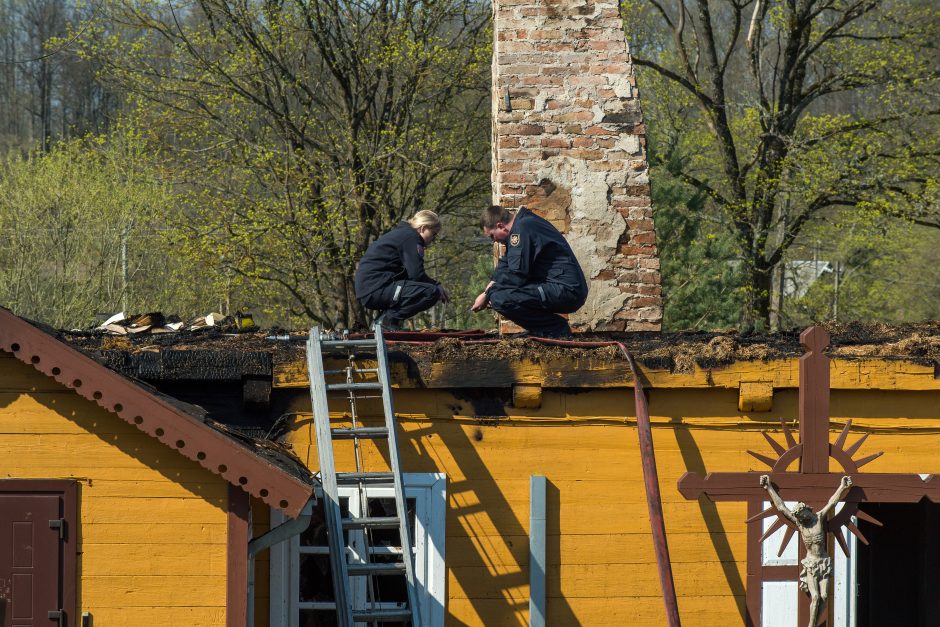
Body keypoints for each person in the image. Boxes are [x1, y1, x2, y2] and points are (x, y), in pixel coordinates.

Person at [471, 205, 588, 338]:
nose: (494, 241)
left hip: (566, 290)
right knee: (498, 294)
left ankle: (554, 329)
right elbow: (506, 265)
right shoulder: (523, 225)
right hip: (561, 288)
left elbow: (517, 275)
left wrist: (489, 294)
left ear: (500, 226)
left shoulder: (522, 230)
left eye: (492, 236)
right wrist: (486, 292)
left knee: (500, 298)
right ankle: (544, 329)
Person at [760, 474, 853, 627]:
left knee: (824, 596)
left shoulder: (818, 518)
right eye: (799, 516)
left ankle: (815, 623)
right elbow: (781, 507)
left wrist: (842, 487)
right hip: (811, 564)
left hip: (823, 562)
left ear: (807, 511)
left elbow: (832, 502)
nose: (802, 518)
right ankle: (811, 625)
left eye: (802, 515)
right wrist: (769, 487)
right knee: (815, 597)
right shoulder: (801, 524)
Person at [355, 210, 448, 330]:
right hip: (376, 288)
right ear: (423, 228)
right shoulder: (411, 237)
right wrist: (436, 285)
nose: (433, 239)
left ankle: (385, 320)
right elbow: (416, 275)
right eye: (433, 234)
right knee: (431, 292)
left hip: (370, 288)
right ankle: (386, 322)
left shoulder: (402, 234)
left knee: (419, 289)